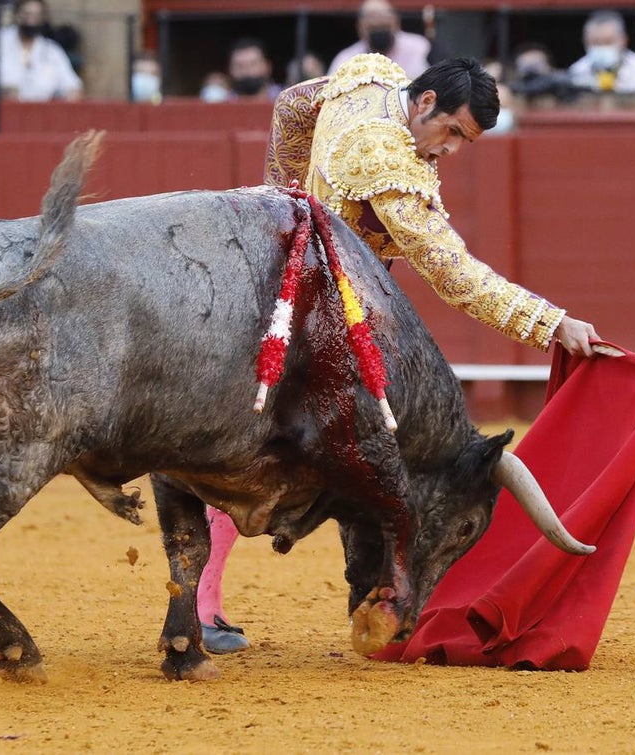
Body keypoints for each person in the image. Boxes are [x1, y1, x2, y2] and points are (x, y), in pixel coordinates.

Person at [198, 53, 601, 654]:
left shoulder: (373, 81)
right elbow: (451, 271)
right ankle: (205, 607)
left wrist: (282, 198)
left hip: (329, 294)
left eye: (468, 141)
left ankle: (367, 586)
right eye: (454, 133)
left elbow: (293, 104)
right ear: (427, 104)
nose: (453, 151)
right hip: (316, 314)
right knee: (274, 444)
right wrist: (550, 322)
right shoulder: (381, 154)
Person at [0, 0, 80, 101]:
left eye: (36, 16)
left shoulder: (52, 51)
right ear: (16, 15)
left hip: (40, 113)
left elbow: (72, 87)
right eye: (27, 14)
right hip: (0, 111)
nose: (31, 21)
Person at [568, 10, 635, 94]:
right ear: (585, 42)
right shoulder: (577, 72)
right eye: (595, 42)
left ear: (624, 40)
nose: (602, 48)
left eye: (608, 42)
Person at [328, 0, 431, 78]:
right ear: (360, 27)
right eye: (373, 28)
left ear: (396, 22)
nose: (380, 32)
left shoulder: (420, 47)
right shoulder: (346, 59)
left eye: (384, 26)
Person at [226, 37, 280, 101]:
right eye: (239, 66)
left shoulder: (287, 100)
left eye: (253, 64)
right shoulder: (222, 101)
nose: (246, 71)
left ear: (267, 67)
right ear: (230, 70)